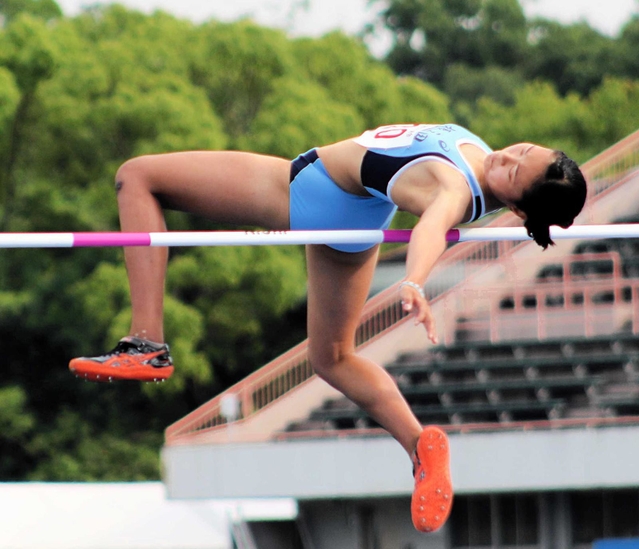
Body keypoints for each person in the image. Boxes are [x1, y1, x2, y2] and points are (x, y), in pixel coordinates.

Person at [68, 123, 587, 533]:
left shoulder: (454, 186)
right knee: (332, 357)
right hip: (356, 219)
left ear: (516, 207)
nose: (509, 157)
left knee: (136, 175)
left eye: (517, 172)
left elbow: (433, 225)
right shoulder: (478, 157)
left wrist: (415, 281)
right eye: (525, 150)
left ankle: (146, 343)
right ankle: (420, 445)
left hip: (304, 191)